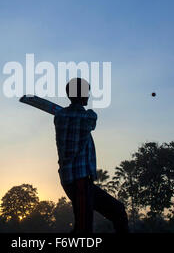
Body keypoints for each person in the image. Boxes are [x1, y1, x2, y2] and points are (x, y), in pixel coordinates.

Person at [54, 77, 129, 233]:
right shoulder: (88, 117)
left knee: (117, 211)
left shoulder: (59, 117)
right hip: (79, 182)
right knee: (83, 230)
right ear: (81, 95)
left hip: (74, 181)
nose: (88, 95)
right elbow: (90, 119)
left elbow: (70, 115)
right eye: (86, 93)